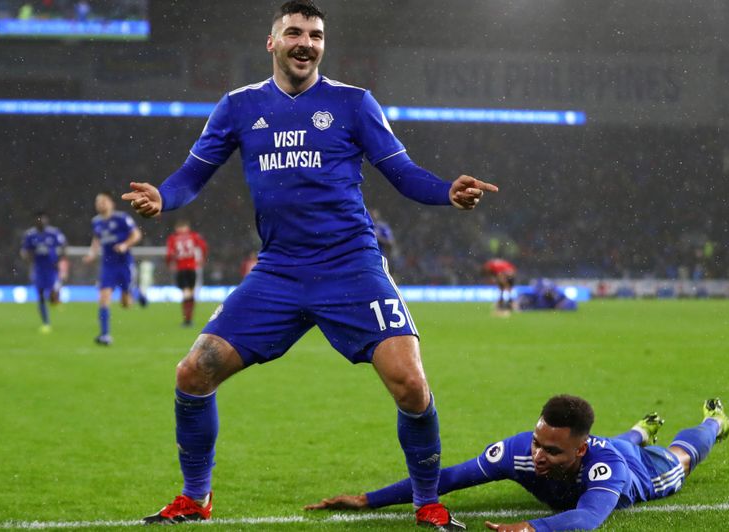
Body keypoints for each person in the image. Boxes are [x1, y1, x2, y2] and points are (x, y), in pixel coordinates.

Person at [121, 1, 497, 527]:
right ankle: (195, 497)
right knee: (194, 372)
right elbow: (193, 173)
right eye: (295, 33)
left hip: (350, 266)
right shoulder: (238, 106)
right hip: (278, 270)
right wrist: (164, 196)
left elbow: (402, 172)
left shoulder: (353, 103)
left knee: (411, 384)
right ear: (272, 42)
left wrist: (446, 191)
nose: (306, 43)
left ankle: (428, 502)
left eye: (316, 35)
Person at [307, 394, 729, 532]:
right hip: (603, 449)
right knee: (620, 442)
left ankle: (714, 423)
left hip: (640, 471)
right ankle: (640, 428)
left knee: (679, 458)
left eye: (551, 452)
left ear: (578, 451)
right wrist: (369, 499)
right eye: (536, 443)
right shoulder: (519, 452)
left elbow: (587, 518)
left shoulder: (607, 469)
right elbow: (448, 477)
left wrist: (531, 528)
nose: (538, 455)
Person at [83, 192, 143, 346]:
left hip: (124, 263)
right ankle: (105, 335)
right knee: (103, 298)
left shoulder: (122, 218)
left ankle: (137, 292)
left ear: (111, 203)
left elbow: (136, 234)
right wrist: (91, 254)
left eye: (103, 201)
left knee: (126, 304)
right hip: (108, 265)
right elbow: (96, 240)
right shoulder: (96, 222)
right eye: (98, 201)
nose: (100, 204)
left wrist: (125, 245)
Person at [20, 211, 67, 333]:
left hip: (52, 268)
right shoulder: (30, 235)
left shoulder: (54, 233)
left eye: (43, 218)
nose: (41, 221)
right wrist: (27, 258)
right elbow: (25, 250)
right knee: (41, 295)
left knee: (52, 294)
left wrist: (59, 260)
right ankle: (46, 323)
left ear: (47, 220)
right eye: (39, 219)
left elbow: (63, 246)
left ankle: (55, 299)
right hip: (39, 269)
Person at [166, 220, 209, 327]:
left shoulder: (173, 238)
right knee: (191, 292)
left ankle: (187, 320)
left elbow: (169, 253)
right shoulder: (193, 236)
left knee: (186, 293)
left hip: (181, 268)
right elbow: (204, 246)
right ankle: (189, 319)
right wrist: (203, 259)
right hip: (192, 268)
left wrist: (169, 263)